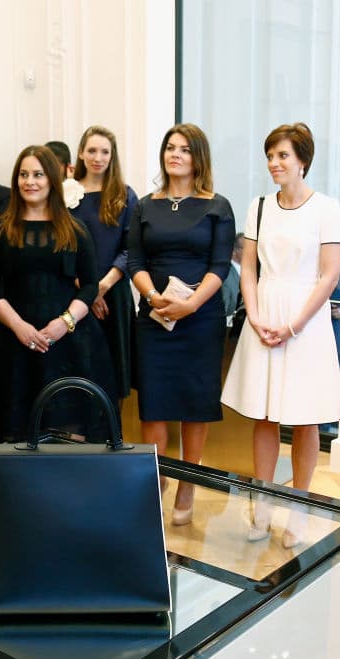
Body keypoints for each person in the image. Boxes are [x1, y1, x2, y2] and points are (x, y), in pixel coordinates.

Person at [220, 123, 340, 547]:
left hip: (306, 319)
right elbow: (249, 268)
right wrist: (254, 316)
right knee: (264, 414)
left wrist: (294, 324)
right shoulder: (258, 206)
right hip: (264, 311)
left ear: (302, 161)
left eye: (283, 156)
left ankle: (300, 509)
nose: (274, 163)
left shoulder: (327, 207)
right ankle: (264, 505)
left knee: (305, 418)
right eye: (270, 156)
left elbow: (329, 275)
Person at [0, 145, 117, 448]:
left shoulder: (75, 229)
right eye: (23, 174)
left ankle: (66, 496)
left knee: (70, 430)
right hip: (12, 345)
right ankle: (15, 496)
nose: (29, 181)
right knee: (10, 431)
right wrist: (19, 327)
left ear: (51, 179)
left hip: (67, 344)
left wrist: (65, 322)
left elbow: (89, 286)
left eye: (37, 174)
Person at [128, 123, 235, 526]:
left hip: (199, 318)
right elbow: (135, 262)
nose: (175, 155)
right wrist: (153, 296)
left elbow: (219, 266)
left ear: (198, 158)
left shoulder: (216, 206)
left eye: (185, 150)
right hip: (155, 316)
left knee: (194, 404)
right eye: (170, 148)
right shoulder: (145, 206)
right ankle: (155, 480)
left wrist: (190, 304)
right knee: (153, 404)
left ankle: (187, 482)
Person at [70, 125, 138, 402]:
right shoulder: (66, 193)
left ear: (113, 156)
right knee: (79, 370)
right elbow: (62, 247)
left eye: (105, 152)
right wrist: (87, 290)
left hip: (114, 293)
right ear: (82, 154)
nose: (98, 157)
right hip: (74, 294)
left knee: (113, 374)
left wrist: (101, 286)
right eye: (92, 150)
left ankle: (113, 440)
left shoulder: (124, 194)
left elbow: (131, 247)